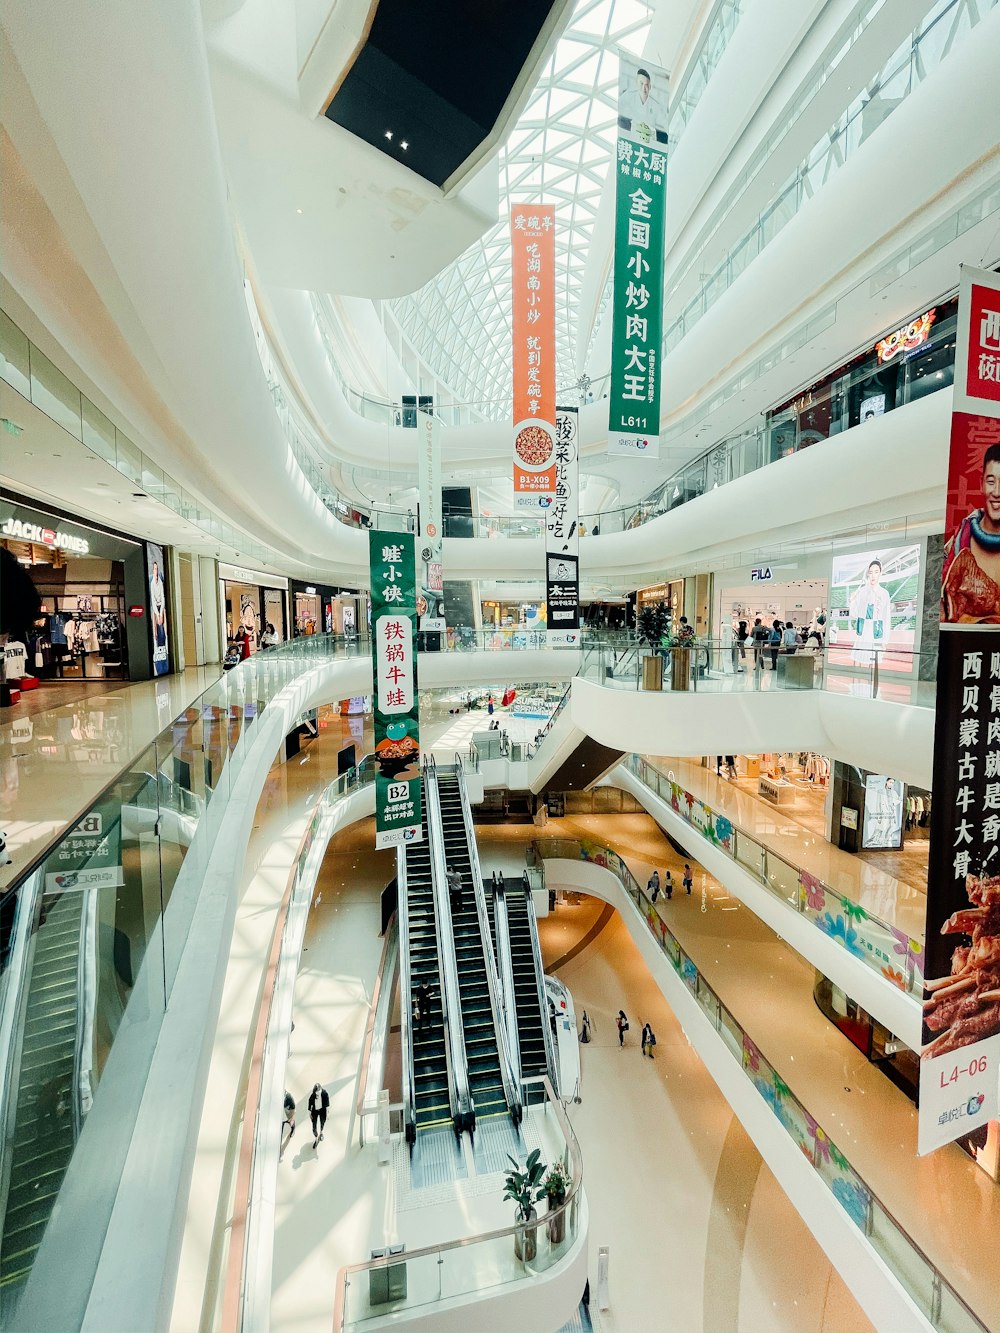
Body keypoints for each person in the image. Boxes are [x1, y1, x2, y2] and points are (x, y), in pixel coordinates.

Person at [943, 443, 1000, 622]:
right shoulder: (957, 544)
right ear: (981, 484)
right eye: (991, 482)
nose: (997, 492)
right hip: (966, 647)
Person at [848, 558, 892, 664]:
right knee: (858, 663)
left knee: (873, 664)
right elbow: (854, 613)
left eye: (876, 572)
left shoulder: (884, 594)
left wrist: (885, 640)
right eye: (871, 572)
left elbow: (886, 617)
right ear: (868, 574)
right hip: (862, 634)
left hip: (876, 634)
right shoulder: (862, 592)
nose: (873, 575)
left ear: (880, 573)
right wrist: (852, 601)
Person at [618, 66, 669, 144]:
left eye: (646, 85)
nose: (644, 88)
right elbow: (618, 106)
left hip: (649, 141)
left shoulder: (656, 106)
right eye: (641, 84)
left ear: (650, 87)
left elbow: (665, 124)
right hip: (631, 138)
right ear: (636, 83)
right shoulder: (629, 96)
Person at [308, 1082, 329, 1148]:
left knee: (322, 1122)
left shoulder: (324, 1093)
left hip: (322, 1110)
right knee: (314, 1126)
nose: (317, 1093)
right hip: (315, 1110)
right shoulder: (313, 1095)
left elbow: (327, 1105)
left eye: (318, 1091)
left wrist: (327, 1113)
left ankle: (321, 1132)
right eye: (315, 1092)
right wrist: (309, 1114)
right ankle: (316, 1137)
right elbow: (310, 1104)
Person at [281, 1090, 296, 1157]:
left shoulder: (289, 1098)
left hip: (288, 1115)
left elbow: (294, 1109)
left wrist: (291, 1118)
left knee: (292, 1125)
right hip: (282, 1117)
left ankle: (292, 1131)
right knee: (281, 1129)